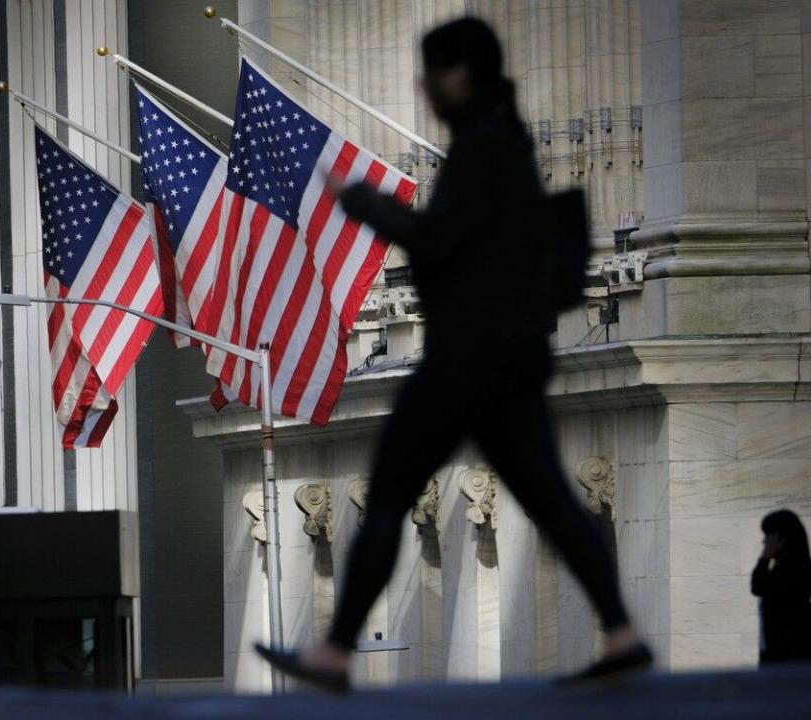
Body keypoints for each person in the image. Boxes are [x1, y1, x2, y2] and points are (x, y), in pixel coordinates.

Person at [256, 16, 651, 692]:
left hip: (466, 361)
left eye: (432, 72)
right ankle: (621, 632)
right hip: (506, 361)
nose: (423, 86)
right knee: (552, 500)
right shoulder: (505, 142)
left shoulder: (485, 148)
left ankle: (334, 654)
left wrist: (368, 206)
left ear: (461, 74)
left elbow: (441, 243)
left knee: (389, 497)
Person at [751, 509, 811, 664]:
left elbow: (758, 585)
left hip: (789, 657)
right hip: (783, 656)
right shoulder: (786, 567)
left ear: (782, 538)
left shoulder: (792, 569)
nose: (764, 541)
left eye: (768, 535)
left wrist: (765, 556)